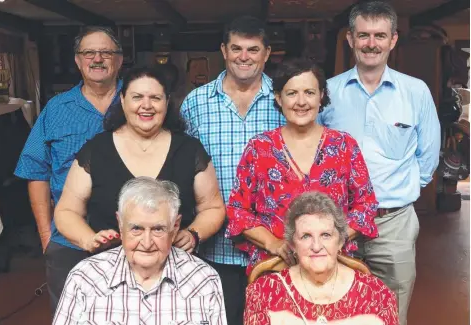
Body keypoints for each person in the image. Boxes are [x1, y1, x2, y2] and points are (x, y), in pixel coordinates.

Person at [317, 2, 441, 324]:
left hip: (394, 223)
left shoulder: (415, 92)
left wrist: (399, 194)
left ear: (393, 40)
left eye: (380, 35)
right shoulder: (327, 92)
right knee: (336, 310)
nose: (371, 43)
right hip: (337, 224)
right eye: (363, 35)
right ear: (350, 39)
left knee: (391, 313)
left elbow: (428, 157)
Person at [226, 58, 378, 276]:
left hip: (334, 267)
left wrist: (334, 239)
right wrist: (272, 242)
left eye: (309, 92)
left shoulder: (344, 146)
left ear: (321, 96)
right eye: (291, 93)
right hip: (276, 268)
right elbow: (237, 209)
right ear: (278, 98)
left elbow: (366, 204)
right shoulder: (259, 148)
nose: (301, 101)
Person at [54, 65, 224, 257]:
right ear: (122, 100)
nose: (146, 105)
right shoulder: (97, 150)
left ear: (167, 102)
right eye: (137, 97)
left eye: (155, 98)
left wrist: (194, 234)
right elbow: (67, 211)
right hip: (108, 267)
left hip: (176, 266)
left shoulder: (189, 149)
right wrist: (89, 239)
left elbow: (213, 207)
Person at [180, 15, 285, 325]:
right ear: (223, 50)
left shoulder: (286, 99)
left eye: (253, 50)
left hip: (274, 245)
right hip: (215, 245)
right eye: (236, 48)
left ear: (267, 53)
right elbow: (183, 167)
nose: (244, 57)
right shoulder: (196, 103)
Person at [14, 26, 124, 313]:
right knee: (72, 316)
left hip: (135, 241)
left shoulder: (139, 101)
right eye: (89, 52)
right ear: (78, 60)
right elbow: (36, 171)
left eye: (106, 52)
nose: (97, 59)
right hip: (68, 242)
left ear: (120, 60)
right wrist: (45, 236)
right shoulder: (56, 109)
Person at [53, 177, 227, 325]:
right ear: (120, 225)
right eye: (136, 228)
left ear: (175, 227)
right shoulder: (85, 277)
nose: (147, 242)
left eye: (158, 229)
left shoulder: (203, 279)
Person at [244, 191, 398, 325]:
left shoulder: (378, 295)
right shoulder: (263, 293)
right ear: (292, 245)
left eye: (326, 235)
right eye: (306, 236)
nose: (316, 246)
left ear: (340, 241)